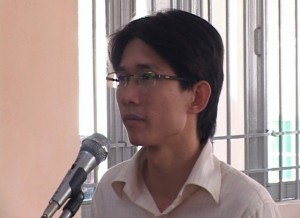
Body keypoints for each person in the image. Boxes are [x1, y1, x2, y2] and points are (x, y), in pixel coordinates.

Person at [91, 9, 281, 218]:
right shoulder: (110, 192)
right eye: (123, 78)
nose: (127, 96)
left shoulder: (246, 206)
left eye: (146, 77)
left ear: (197, 96)